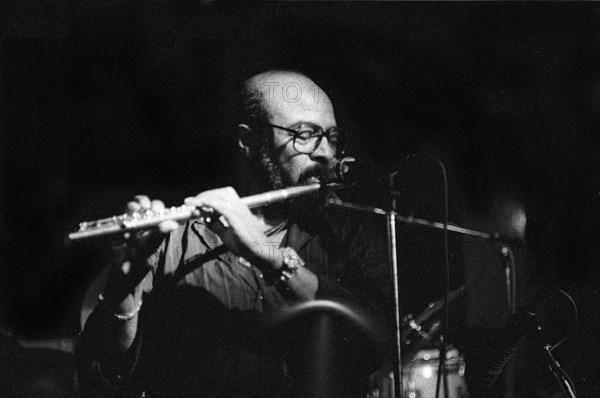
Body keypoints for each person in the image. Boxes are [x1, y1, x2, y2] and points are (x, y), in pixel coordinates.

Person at [76, 70, 391, 397]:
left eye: (332, 136)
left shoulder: (348, 231)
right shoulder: (172, 243)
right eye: (305, 134)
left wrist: (268, 254)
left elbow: (374, 342)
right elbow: (104, 375)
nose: (326, 152)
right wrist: (123, 291)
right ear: (249, 142)